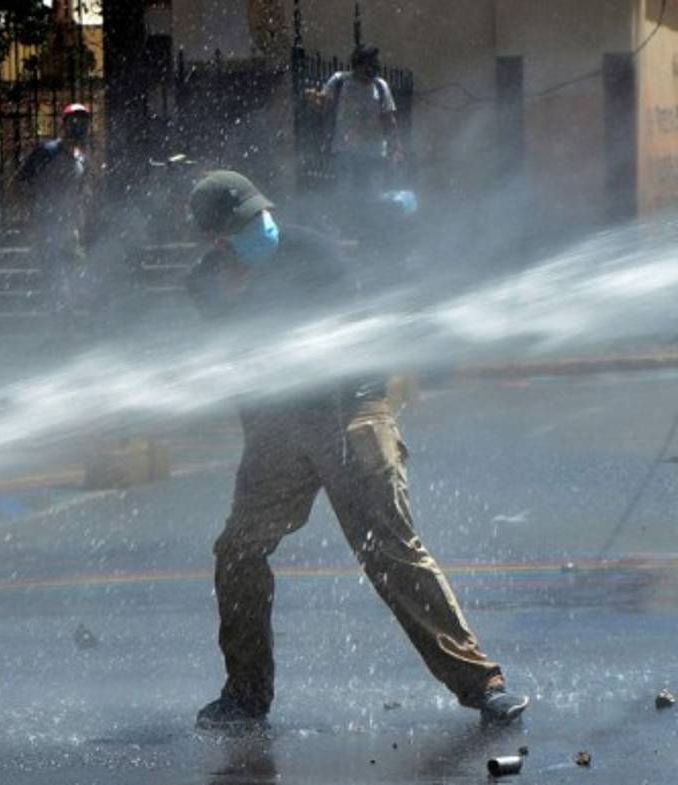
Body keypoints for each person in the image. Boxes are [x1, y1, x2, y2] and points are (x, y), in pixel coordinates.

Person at [185, 170, 529, 730]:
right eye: (243, 226)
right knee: (238, 553)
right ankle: (245, 696)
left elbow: (343, 332)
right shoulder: (205, 283)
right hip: (276, 427)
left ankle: (483, 685)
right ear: (215, 239)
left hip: (350, 409)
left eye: (259, 216)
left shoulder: (312, 251)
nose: (260, 228)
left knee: (389, 549)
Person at [12, 103, 93, 318]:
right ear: (64, 125)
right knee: (53, 272)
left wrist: (79, 223)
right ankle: (56, 317)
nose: (79, 127)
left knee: (73, 270)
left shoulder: (82, 160)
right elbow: (19, 183)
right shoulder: (46, 152)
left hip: (68, 226)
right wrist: (28, 218)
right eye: (74, 121)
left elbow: (79, 195)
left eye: (83, 122)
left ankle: (65, 317)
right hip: (46, 222)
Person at [318, 43, 403, 202]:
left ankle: (369, 223)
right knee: (344, 193)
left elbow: (389, 119)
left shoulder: (380, 86)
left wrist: (395, 147)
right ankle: (346, 224)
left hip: (374, 151)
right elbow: (324, 107)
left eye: (374, 67)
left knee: (373, 195)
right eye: (367, 66)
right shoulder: (339, 81)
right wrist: (317, 101)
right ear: (356, 64)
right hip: (344, 150)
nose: (370, 71)